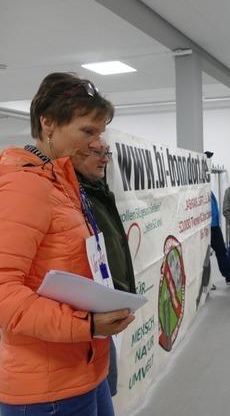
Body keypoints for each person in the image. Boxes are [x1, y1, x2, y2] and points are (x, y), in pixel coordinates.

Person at [0, 72, 135, 416]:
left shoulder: (61, 183)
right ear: (48, 123)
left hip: (84, 366)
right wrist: (85, 324)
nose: (97, 143)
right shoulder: (24, 187)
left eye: (100, 132)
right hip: (49, 390)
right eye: (86, 131)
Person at [70, 139, 138, 397]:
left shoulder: (96, 190)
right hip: (83, 318)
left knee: (106, 389)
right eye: (97, 152)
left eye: (106, 153)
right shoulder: (69, 194)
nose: (105, 159)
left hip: (100, 312)